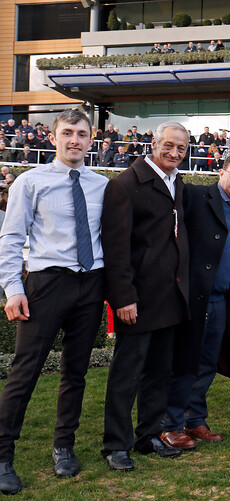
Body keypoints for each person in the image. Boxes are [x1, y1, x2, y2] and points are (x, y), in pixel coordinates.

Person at [0, 110, 107, 495]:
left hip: (90, 285)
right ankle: (2, 453)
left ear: (91, 139)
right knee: (24, 371)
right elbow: (11, 240)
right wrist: (13, 289)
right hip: (46, 284)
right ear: (53, 137)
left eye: (81, 133)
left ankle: (64, 446)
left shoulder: (102, 185)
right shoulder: (30, 183)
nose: (74, 140)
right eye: (67, 133)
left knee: (75, 372)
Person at [100, 121, 191, 471]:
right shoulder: (125, 185)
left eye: (181, 148)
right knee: (127, 374)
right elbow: (116, 247)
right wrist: (123, 296)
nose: (174, 153)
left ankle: (148, 435)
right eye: (168, 145)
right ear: (153, 143)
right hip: (137, 299)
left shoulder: (177, 182)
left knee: (158, 371)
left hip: (170, 296)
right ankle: (115, 444)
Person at [160, 155, 230, 451]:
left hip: (222, 300)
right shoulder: (197, 195)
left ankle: (194, 420)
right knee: (183, 363)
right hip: (193, 298)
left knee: (207, 363)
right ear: (222, 173)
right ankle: (169, 426)